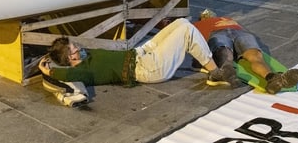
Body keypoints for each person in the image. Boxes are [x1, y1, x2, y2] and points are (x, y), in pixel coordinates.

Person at [38, 18, 235, 88]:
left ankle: (203, 60)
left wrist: (51, 54)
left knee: (182, 23)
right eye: (75, 50)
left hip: (141, 54)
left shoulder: (86, 58)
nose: (79, 49)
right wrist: (46, 70)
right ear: (70, 58)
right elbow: (63, 73)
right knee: (187, 32)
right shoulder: (82, 71)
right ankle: (215, 73)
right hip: (148, 69)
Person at [194, 9, 298, 94]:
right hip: (221, 33)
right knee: (226, 52)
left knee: (254, 56)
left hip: (237, 33)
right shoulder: (198, 25)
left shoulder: (225, 18)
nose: (208, 15)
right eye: (205, 14)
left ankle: (273, 79)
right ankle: (228, 71)